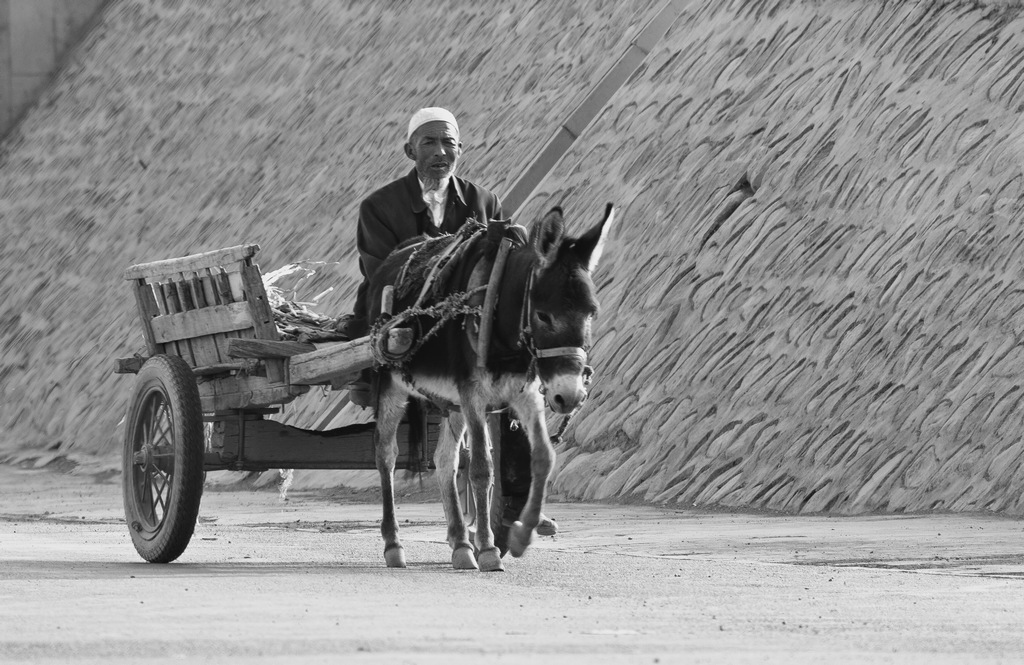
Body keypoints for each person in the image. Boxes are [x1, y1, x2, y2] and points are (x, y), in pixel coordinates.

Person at [336, 107, 556, 547]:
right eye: (430, 143)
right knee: (381, 319)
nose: (441, 153)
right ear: (409, 150)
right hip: (404, 314)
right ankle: (372, 379)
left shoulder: (484, 202)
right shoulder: (378, 208)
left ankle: (511, 506)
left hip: (468, 320)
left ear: (461, 150)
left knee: (517, 367)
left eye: (449, 144)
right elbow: (383, 272)